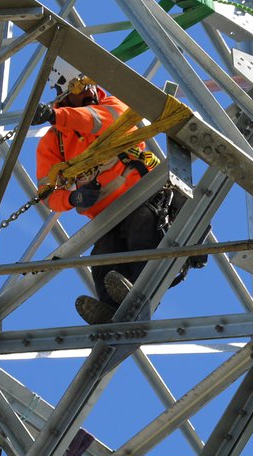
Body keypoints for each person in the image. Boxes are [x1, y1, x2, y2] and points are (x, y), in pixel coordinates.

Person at [35, 76, 192, 325]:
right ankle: (112, 312)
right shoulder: (53, 142)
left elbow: (101, 121)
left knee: (143, 230)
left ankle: (143, 296)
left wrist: (57, 116)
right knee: (103, 256)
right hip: (105, 214)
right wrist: (72, 198)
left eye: (84, 97)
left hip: (139, 196)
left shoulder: (114, 107)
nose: (80, 103)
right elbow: (47, 192)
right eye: (72, 99)